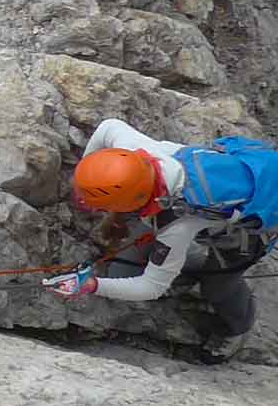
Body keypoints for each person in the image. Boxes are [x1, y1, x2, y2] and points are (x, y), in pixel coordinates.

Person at [44, 118, 276, 364]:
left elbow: (152, 287)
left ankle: (236, 327)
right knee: (122, 270)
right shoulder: (135, 155)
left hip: (253, 221)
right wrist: (88, 175)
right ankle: (179, 268)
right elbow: (108, 127)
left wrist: (91, 286)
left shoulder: (177, 226)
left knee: (218, 286)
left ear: (131, 204)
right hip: (228, 179)